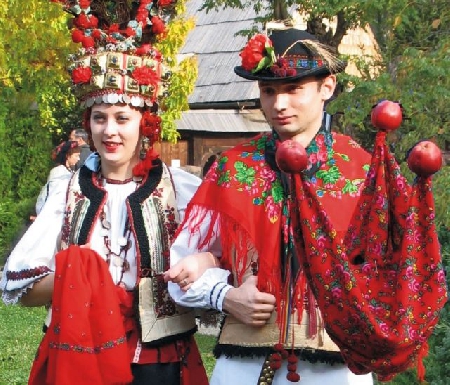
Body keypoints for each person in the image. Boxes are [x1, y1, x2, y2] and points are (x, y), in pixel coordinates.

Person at [165, 27, 447, 385]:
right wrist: (227, 295)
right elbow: (181, 271)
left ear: (326, 88)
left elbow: (396, 269)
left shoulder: (362, 170)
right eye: (268, 91)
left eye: (293, 89)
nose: (279, 104)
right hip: (244, 365)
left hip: (335, 369)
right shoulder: (232, 169)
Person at [0, 2, 209, 385]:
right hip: (82, 357)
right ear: (88, 123)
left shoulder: (181, 189)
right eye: (100, 118)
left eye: (122, 118)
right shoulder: (68, 191)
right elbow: (21, 287)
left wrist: (202, 265)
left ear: (144, 124)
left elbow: (220, 261)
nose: (109, 131)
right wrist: (78, 275)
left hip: (158, 359)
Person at [35, 140, 80, 216]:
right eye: (76, 156)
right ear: (67, 156)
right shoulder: (59, 172)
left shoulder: (68, 171)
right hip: (52, 214)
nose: (78, 159)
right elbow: (53, 197)